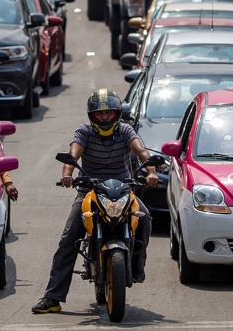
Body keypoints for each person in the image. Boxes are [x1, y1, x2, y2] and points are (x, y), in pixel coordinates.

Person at [33, 89, 157, 315]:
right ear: (92, 116)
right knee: (68, 238)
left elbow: (142, 152)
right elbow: (73, 154)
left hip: (122, 188)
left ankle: (137, 266)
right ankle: (52, 298)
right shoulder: (85, 131)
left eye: (109, 113)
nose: (105, 118)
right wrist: (67, 173)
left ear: (117, 113)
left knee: (145, 218)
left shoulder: (125, 130)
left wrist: (151, 171)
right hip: (89, 190)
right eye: (99, 114)